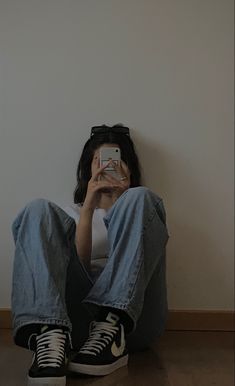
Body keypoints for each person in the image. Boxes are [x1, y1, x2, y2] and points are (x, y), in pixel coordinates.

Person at [11, 124, 169, 386]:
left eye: (115, 161)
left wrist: (124, 199)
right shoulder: (68, 216)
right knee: (38, 210)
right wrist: (89, 207)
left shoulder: (142, 210)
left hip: (133, 324)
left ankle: (112, 325)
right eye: (101, 162)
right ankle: (49, 336)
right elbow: (80, 266)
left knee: (141, 199)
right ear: (88, 167)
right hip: (77, 324)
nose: (108, 167)